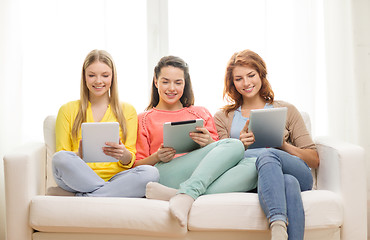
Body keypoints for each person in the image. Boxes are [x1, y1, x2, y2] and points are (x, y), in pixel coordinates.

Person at [135, 55, 257, 227]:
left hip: (201, 176)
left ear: (185, 84)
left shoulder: (200, 113)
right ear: (156, 82)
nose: (172, 88)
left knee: (254, 166)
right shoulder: (143, 119)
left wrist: (208, 143)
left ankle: (180, 193)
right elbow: (136, 166)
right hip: (165, 173)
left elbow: (224, 157)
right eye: (165, 82)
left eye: (178, 82)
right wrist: (157, 156)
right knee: (235, 144)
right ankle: (187, 191)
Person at [214, 49, 319, 240]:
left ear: (261, 74)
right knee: (288, 182)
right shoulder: (223, 117)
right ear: (232, 83)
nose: (246, 83)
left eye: (251, 75)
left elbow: (314, 159)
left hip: (296, 170)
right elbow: (218, 162)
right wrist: (240, 146)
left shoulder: (286, 110)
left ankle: (277, 226)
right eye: (238, 79)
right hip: (253, 179)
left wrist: (282, 145)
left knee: (267, 155)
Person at [52, 49, 159, 197]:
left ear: (112, 77)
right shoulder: (67, 110)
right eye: (91, 75)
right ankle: (108, 193)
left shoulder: (127, 110)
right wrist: (79, 155)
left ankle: (91, 196)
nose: (98, 81)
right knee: (59, 158)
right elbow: (62, 155)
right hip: (78, 178)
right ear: (84, 77)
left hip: (117, 178)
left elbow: (130, 159)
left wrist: (123, 154)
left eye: (105, 75)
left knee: (151, 173)